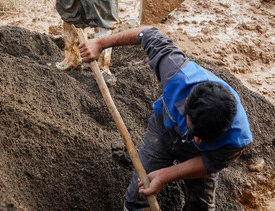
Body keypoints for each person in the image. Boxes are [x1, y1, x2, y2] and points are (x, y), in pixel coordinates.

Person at [79, 27, 253, 210]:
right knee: (138, 195)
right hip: (163, 131)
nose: (197, 140)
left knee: (201, 206)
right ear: (187, 108)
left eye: (205, 138)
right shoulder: (175, 72)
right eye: (195, 132)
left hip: (202, 156)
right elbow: (146, 33)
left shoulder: (237, 138)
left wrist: (164, 175)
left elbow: (209, 162)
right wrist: (100, 43)